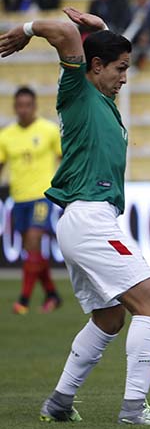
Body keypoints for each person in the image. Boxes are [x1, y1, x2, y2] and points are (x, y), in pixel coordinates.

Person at [0, 7, 150, 425]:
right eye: (120, 68)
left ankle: (60, 402)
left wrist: (102, 31)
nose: (125, 77)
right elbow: (62, 32)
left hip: (86, 220)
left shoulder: (99, 97)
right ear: (94, 67)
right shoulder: (78, 91)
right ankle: (134, 408)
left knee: (110, 317)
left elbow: (87, 44)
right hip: (89, 218)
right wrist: (26, 31)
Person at [0, 86, 63, 315]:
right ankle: (52, 295)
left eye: (28, 105)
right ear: (15, 107)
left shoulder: (49, 131)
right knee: (32, 251)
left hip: (42, 197)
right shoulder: (6, 136)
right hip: (19, 199)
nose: (24, 110)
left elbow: (63, 158)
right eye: (20, 106)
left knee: (34, 241)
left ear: (34, 106)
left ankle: (23, 300)